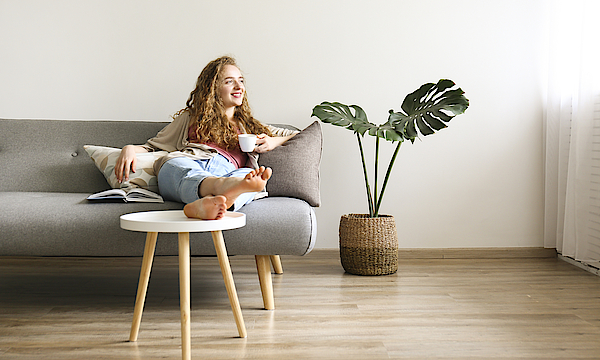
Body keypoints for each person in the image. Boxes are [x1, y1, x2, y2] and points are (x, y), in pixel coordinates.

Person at [114, 56, 297, 220]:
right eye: (229, 82)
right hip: (189, 161)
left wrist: (273, 141)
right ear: (213, 88)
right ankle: (221, 189)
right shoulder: (191, 117)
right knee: (174, 167)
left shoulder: (249, 125)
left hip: (226, 170)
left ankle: (206, 203)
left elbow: (299, 134)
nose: (239, 87)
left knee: (247, 177)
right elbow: (152, 146)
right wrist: (128, 148)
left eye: (241, 81)